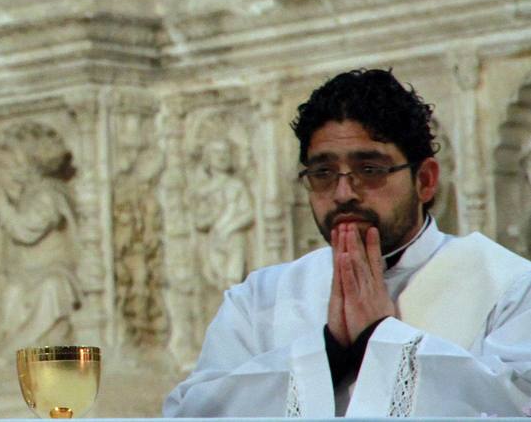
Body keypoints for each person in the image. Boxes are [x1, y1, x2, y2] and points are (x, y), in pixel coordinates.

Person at [165, 69, 531, 417]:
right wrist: (327, 353)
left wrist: (380, 338)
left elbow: (519, 404)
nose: (343, 193)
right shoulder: (260, 298)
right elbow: (194, 413)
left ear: (425, 180)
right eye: (322, 173)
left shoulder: (509, 287)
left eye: (369, 169)